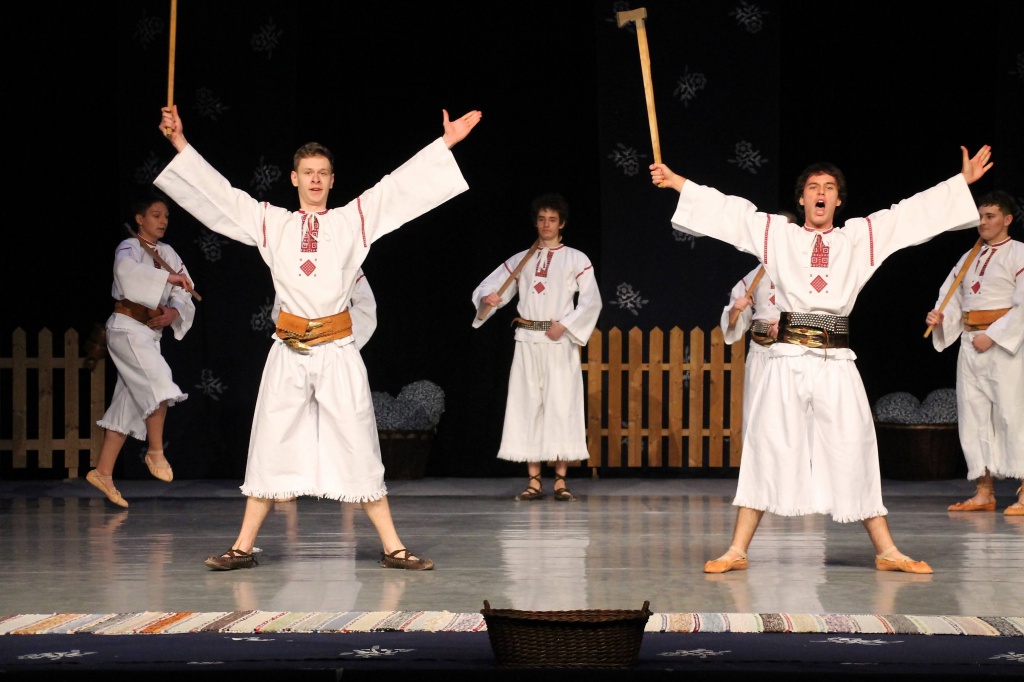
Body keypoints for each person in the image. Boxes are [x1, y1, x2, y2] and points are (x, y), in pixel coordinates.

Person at [155, 104, 482, 571]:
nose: (314, 179)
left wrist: (445, 143)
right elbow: (222, 197)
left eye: (322, 173)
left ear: (331, 180)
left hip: (336, 350)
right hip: (289, 350)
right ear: (294, 179)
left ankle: (393, 546)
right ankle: (242, 547)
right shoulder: (273, 223)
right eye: (307, 172)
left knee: (359, 443)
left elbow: (396, 189)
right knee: (270, 443)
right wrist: (180, 144)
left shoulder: (352, 221)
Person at [650, 144, 993, 574]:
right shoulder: (779, 235)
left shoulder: (858, 238)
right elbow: (731, 213)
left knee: (855, 446)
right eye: (813, 187)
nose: (820, 193)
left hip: (836, 361)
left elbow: (908, 215)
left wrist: (960, 183)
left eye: (829, 188)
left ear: (838, 200)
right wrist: (677, 182)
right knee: (767, 444)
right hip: (786, 359)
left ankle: (887, 550)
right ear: (802, 198)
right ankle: (737, 549)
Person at [471, 193, 602, 501]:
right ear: (536, 222)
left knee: (561, 405)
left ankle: (560, 481)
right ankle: (533, 481)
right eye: (542, 219)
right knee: (527, 406)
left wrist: (565, 325)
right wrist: (489, 298)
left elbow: (591, 300)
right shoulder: (523, 258)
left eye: (552, 220)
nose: (546, 225)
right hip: (527, 339)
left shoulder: (576, 259)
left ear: (562, 224)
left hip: (558, 341)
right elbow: (491, 286)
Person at [87, 194, 197, 507]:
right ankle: (156, 452)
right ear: (140, 219)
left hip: (148, 335)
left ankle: (103, 472)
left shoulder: (168, 252)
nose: (162, 221)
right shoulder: (129, 247)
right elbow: (126, 273)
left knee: (129, 404)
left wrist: (173, 312)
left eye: (166, 216)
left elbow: (184, 291)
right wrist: (167, 277)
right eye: (156, 215)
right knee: (159, 382)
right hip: (126, 329)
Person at [925, 190, 1023, 516]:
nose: (983, 222)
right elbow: (952, 296)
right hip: (970, 343)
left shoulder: (1019, 254)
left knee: (1012, 414)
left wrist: (993, 336)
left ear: (1007, 220)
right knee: (973, 415)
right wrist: (941, 317)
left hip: (1004, 346)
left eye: (990, 216)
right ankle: (984, 491)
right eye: (980, 216)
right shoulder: (969, 257)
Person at [720, 262, 778, 442]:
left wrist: (790, 326)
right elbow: (734, 325)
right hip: (761, 354)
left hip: (794, 355)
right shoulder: (757, 274)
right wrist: (735, 310)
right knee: (757, 421)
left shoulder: (803, 272)